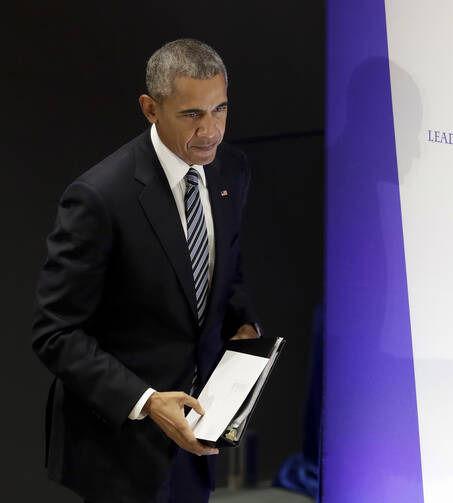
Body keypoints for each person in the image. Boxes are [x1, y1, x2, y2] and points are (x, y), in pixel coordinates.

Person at [31, 39, 260, 503]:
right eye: (192, 115)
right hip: (118, 442)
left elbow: (225, 273)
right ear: (150, 108)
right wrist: (149, 402)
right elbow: (55, 334)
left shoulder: (231, 171)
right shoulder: (99, 197)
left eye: (220, 109)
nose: (211, 130)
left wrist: (245, 328)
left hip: (196, 429)